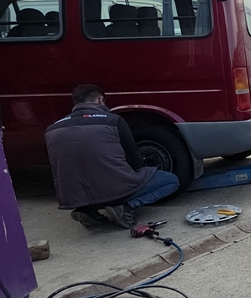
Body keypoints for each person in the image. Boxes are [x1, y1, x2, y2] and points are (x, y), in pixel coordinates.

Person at [44, 84, 180, 229]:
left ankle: (87, 210)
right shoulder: (113, 121)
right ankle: (126, 206)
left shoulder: (52, 129)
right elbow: (135, 162)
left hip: (73, 196)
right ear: (100, 99)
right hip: (116, 192)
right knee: (171, 181)